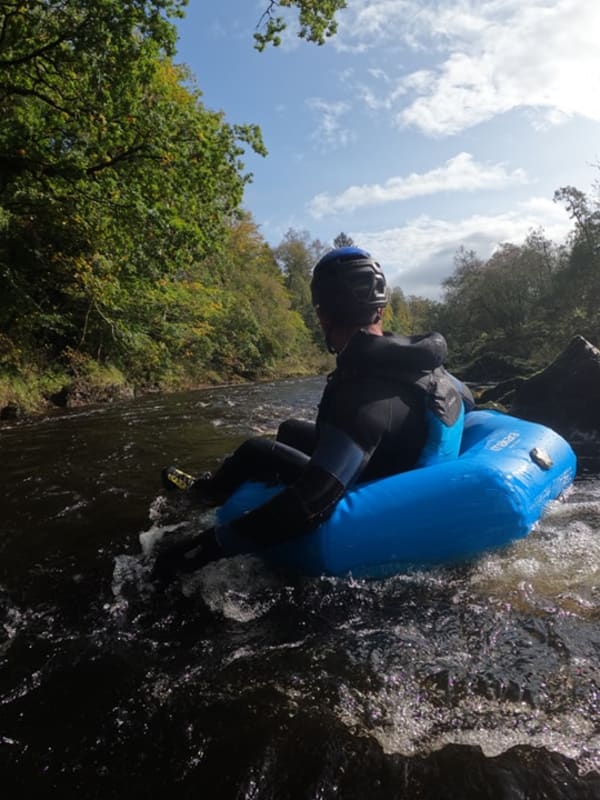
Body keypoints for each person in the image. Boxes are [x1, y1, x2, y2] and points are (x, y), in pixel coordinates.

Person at [152, 246, 474, 584]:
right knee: (290, 429)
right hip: (398, 456)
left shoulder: (360, 397)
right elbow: (468, 404)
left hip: (378, 479)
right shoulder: (423, 360)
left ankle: (203, 493)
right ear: (380, 308)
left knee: (255, 450)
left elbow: (312, 502)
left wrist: (202, 548)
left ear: (323, 314)